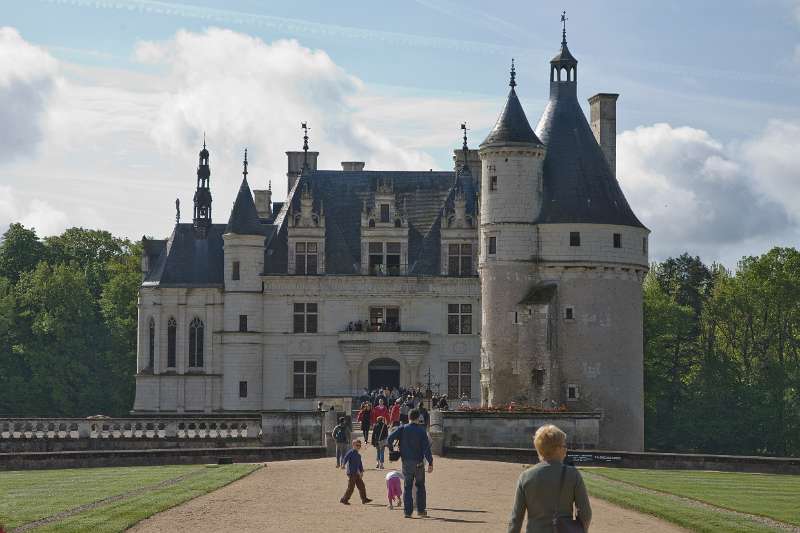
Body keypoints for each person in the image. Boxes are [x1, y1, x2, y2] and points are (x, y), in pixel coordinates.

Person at [507, 424, 591, 533]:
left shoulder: (526, 476)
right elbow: (586, 513)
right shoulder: (573, 474)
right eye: (564, 446)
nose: (566, 449)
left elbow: (516, 518)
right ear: (557, 449)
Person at [387, 408, 434, 518]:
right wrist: (430, 462)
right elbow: (426, 449)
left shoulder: (402, 428)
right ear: (418, 418)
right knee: (420, 486)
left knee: (407, 487)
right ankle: (421, 510)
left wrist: (392, 450)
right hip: (419, 462)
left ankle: (408, 512)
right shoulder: (422, 431)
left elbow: (389, 439)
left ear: (408, 417)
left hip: (406, 462)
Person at [340, 439, 372, 505]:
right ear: (353, 445)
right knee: (351, 487)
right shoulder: (351, 452)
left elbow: (360, 464)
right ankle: (344, 499)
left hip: (357, 474)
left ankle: (364, 499)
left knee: (362, 486)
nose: (358, 447)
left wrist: (361, 471)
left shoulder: (358, 455)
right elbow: (345, 458)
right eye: (357, 445)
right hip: (351, 473)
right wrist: (343, 464)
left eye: (359, 446)